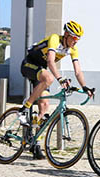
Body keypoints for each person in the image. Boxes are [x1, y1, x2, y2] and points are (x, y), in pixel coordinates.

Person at [18, 21, 94, 156]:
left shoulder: (72, 49)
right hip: (29, 64)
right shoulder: (54, 39)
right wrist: (60, 78)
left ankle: (36, 143)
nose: (76, 42)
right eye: (74, 38)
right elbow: (50, 61)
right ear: (66, 35)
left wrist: (85, 87)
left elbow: (78, 71)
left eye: (78, 39)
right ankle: (25, 108)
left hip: (42, 71)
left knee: (45, 105)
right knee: (49, 78)